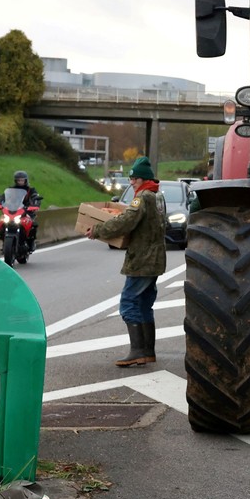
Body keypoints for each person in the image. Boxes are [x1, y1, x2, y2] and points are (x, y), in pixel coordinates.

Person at [86, 156, 166, 367]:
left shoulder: (143, 198)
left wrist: (98, 230)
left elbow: (126, 220)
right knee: (144, 304)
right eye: (131, 179)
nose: (131, 183)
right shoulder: (158, 197)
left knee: (129, 303)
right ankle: (148, 351)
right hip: (155, 259)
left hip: (142, 260)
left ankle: (138, 351)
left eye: (135, 179)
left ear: (144, 179)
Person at [10, 170, 41, 252]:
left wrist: (35, 204)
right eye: (18, 180)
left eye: (22, 180)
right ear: (15, 181)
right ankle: (3, 237)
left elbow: (36, 197)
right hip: (14, 210)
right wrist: (0, 202)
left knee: (33, 225)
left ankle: (31, 243)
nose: (20, 182)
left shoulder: (31, 190)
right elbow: (5, 197)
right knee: (2, 221)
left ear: (26, 180)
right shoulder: (11, 189)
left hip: (27, 211)